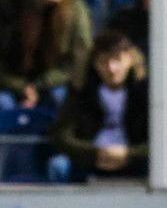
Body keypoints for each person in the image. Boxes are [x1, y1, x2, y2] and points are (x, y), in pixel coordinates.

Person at [47, 31, 148, 182]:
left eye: (117, 60)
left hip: (133, 160)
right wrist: (96, 153)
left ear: (129, 60)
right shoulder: (81, 92)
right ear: (95, 64)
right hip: (89, 159)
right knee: (59, 165)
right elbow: (61, 136)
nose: (111, 68)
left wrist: (128, 153)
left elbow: (161, 142)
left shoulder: (146, 92)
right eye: (104, 62)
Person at [0, 0, 92, 111]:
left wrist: (37, 86)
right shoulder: (6, 6)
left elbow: (79, 61)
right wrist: (21, 87)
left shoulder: (75, 9)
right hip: (9, 82)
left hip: (55, 82)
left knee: (61, 99)